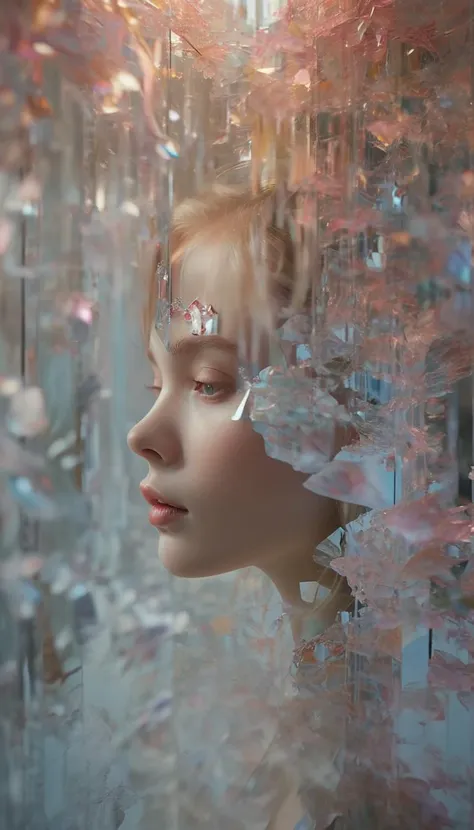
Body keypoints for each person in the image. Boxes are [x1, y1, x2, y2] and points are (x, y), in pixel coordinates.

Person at [127, 184, 363, 828]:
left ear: (364, 413)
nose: (142, 435)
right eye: (158, 381)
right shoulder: (288, 727)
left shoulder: (416, 775)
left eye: (209, 384)